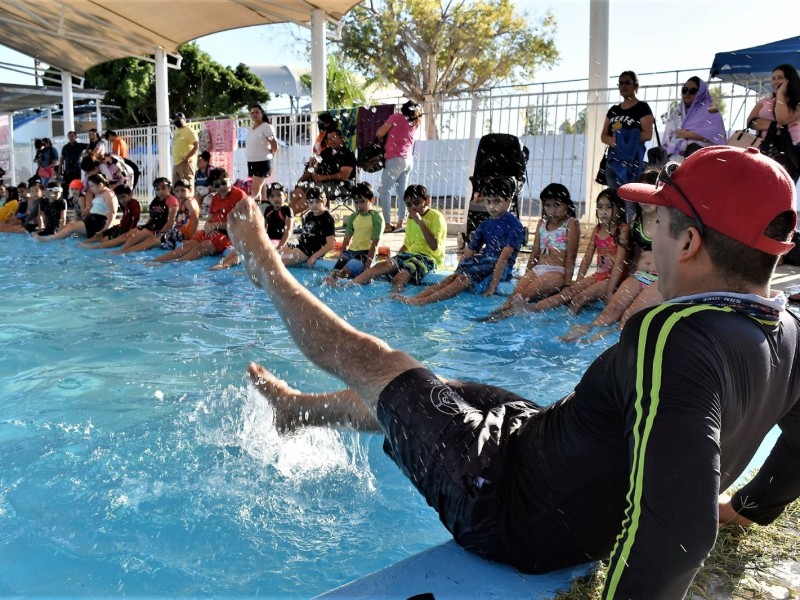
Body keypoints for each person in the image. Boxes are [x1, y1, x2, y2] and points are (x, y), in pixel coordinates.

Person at [228, 144, 800, 599]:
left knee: (378, 363)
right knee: (428, 390)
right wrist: (752, 508)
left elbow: (680, 528)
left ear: (692, 242)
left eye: (656, 228)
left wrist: (710, 518)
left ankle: (268, 268)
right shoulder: (789, 333)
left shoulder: (673, 333)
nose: (650, 241)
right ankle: (300, 410)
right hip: (542, 444)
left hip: (510, 508)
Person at [394, 177, 523, 305]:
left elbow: (504, 258)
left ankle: (423, 301)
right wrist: (459, 269)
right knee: (451, 278)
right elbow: (469, 251)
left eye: (497, 201)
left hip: (500, 267)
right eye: (488, 202)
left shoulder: (515, 225)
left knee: (462, 279)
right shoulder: (485, 224)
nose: (491, 206)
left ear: (508, 200)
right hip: (484, 262)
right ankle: (416, 298)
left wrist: (493, 286)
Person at [482, 183, 579, 321]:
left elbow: (571, 256)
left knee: (525, 295)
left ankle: (501, 318)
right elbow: (535, 253)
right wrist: (528, 273)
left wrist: (566, 284)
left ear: (567, 205)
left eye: (557, 205)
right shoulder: (542, 224)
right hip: (538, 269)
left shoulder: (571, 223)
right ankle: (494, 315)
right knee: (513, 296)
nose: (552, 210)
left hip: (557, 271)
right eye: (548, 205)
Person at [525, 189, 630, 315]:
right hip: (599, 276)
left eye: (609, 207)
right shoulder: (598, 229)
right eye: (600, 207)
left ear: (619, 209)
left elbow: (619, 263)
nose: (603, 211)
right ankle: (534, 309)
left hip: (613, 279)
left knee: (579, 298)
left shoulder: (623, 230)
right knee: (568, 293)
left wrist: (610, 291)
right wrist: (578, 282)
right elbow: (587, 259)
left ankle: (570, 326)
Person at [350, 184, 447, 293]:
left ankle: (393, 298)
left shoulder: (436, 217)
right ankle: (349, 285)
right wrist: (395, 260)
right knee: (381, 266)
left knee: (400, 277)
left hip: (429, 258)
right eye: (409, 205)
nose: (413, 207)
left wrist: (420, 222)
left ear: (428, 201)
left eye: (416, 203)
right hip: (411, 255)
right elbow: (407, 245)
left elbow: (434, 246)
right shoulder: (411, 218)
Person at [153, 169, 245, 263]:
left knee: (202, 247)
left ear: (230, 179)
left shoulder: (239, 196)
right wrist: (208, 227)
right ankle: (156, 261)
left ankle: (175, 262)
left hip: (228, 233)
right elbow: (208, 220)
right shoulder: (216, 198)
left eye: (223, 183)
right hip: (212, 230)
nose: (221, 187)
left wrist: (216, 225)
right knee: (189, 245)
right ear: (213, 187)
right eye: (217, 185)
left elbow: (243, 223)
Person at [601, 71, 654, 217]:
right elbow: (604, 135)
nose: (624, 86)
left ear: (636, 86)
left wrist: (624, 140)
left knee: (630, 201)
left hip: (632, 162)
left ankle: (630, 234)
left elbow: (647, 134)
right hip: (613, 162)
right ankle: (616, 233)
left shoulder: (642, 107)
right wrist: (614, 141)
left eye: (627, 82)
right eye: (621, 83)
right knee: (615, 200)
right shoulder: (613, 110)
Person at [747, 63, 800, 181]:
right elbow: (752, 122)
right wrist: (776, 125)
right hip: (762, 147)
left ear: (790, 80)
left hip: (788, 153)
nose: (775, 81)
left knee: (778, 192)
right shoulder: (764, 101)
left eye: (780, 78)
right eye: (773, 78)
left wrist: (780, 93)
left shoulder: (797, 104)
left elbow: (782, 117)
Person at [375, 100, 421, 232]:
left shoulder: (396, 117)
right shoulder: (414, 122)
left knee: (385, 191)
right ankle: (401, 223)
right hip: (408, 160)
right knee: (402, 193)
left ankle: (388, 225)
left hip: (395, 159)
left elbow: (379, 133)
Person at [326, 182, 384, 284]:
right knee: (332, 275)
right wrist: (341, 258)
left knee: (343, 274)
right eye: (356, 202)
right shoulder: (353, 217)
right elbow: (346, 240)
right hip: (350, 252)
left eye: (362, 202)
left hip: (365, 254)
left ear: (372, 200)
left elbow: (375, 244)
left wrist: (367, 269)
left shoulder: (376, 217)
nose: (359, 206)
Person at [101, 177, 178, 252]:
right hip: (151, 226)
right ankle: (103, 248)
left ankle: (121, 252)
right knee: (127, 236)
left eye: (163, 188)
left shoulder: (171, 200)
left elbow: (171, 221)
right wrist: (145, 227)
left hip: (158, 228)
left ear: (169, 188)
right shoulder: (157, 200)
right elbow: (152, 217)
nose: (161, 191)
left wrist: (161, 233)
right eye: (157, 189)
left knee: (135, 239)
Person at [661, 77, 726, 163]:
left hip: (701, 159)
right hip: (675, 160)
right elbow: (669, 135)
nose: (687, 93)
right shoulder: (677, 112)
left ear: (701, 93)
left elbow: (716, 137)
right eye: (685, 90)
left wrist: (687, 134)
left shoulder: (711, 111)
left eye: (692, 91)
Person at [36, 174, 117, 241]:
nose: (91, 189)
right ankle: (57, 239)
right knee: (69, 227)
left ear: (100, 185)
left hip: (98, 222)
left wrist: (106, 230)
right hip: (93, 220)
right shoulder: (101, 193)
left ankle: (49, 239)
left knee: (71, 227)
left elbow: (112, 212)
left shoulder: (108, 194)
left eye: (92, 186)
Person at [294, 129, 356, 207]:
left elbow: (344, 176)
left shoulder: (347, 154)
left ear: (340, 138)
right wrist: (301, 179)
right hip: (322, 184)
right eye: (329, 139)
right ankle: (287, 213)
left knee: (314, 190)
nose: (331, 141)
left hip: (342, 186)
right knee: (300, 189)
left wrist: (322, 177)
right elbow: (313, 169)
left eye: (334, 138)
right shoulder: (326, 153)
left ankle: (289, 213)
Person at [278, 186, 336, 268]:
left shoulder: (327, 218)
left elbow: (330, 244)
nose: (314, 205)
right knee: (278, 252)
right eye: (311, 202)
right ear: (307, 203)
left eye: (318, 201)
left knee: (279, 262)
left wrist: (314, 257)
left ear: (325, 201)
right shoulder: (309, 215)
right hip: (301, 246)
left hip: (309, 251)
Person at [246, 104, 279, 201]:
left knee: (255, 192)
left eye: (257, 112)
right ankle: (264, 211)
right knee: (262, 192)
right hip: (252, 162)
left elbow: (274, 144)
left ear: (262, 113)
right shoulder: (251, 127)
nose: (254, 114)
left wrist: (271, 154)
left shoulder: (266, 127)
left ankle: (255, 213)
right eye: (252, 113)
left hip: (262, 162)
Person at [171, 112, 199, 183]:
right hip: (176, 163)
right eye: (175, 119)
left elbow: (196, 146)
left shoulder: (189, 130)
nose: (176, 120)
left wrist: (187, 157)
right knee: (176, 187)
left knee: (187, 186)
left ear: (184, 120)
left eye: (178, 119)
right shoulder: (176, 131)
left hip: (185, 163)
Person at [59, 131, 87, 199]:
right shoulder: (65, 147)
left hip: (76, 170)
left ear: (75, 137)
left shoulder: (80, 145)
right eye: (70, 136)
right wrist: (60, 169)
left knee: (76, 186)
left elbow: (91, 146)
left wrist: (86, 154)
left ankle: (78, 200)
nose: (71, 137)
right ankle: (66, 201)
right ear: (68, 137)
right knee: (65, 186)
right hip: (67, 170)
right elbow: (62, 158)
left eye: (72, 136)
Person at [194, 150, 215, 215]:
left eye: (199, 161)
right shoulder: (197, 173)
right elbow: (194, 186)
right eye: (197, 161)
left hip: (210, 194)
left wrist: (203, 193)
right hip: (200, 194)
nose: (197, 163)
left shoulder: (211, 171)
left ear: (206, 161)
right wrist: (197, 194)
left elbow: (213, 187)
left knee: (207, 200)